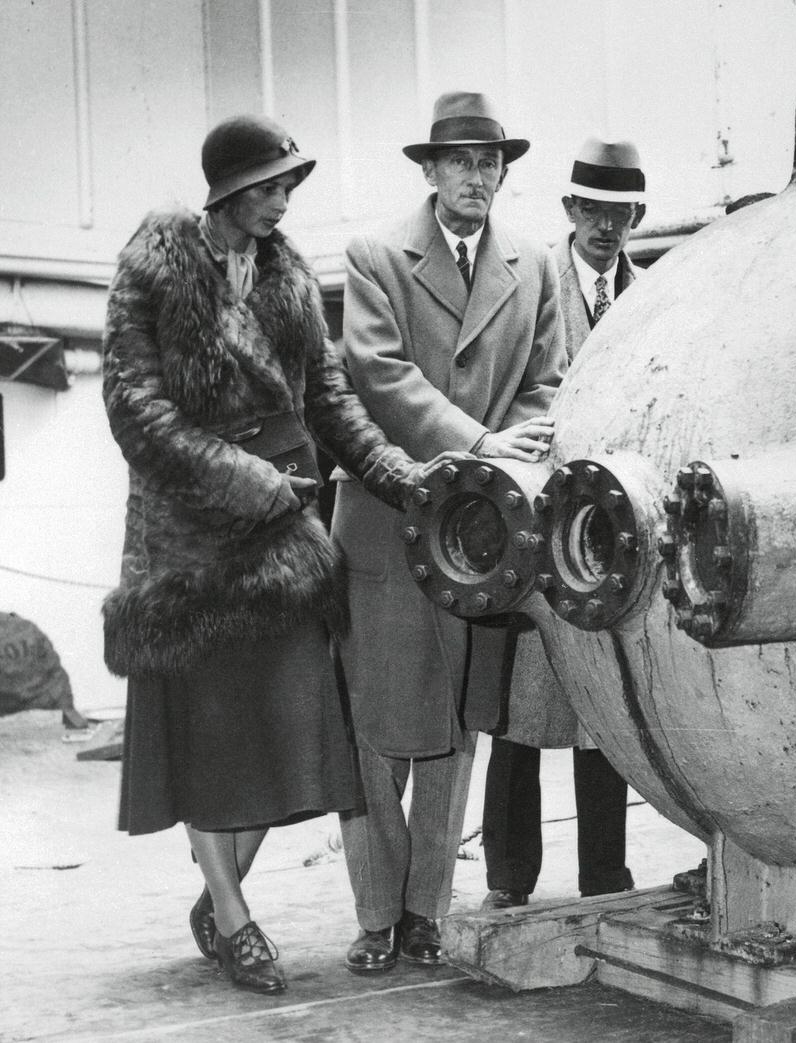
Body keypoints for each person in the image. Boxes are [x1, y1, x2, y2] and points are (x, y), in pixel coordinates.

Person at [101, 115, 449, 996]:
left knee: (295, 735)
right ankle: (237, 920)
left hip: (284, 542)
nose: (283, 200)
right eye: (268, 187)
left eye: (289, 185)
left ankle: (220, 897)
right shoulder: (154, 269)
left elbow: (331, 398)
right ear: (225, 191)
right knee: (213, 748)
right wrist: (246, 477)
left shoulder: (289, 274)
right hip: (192, 549)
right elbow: (134, 409)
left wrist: (401, 475)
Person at [332, 91, 567, 975]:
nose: (482, 175)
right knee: (377, 729)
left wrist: (509, 454)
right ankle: (373, 910)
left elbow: (548, 382)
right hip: (389, 520)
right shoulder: (374, 256)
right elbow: (378, 374)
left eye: (493, 160)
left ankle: (425, 909)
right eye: (463, 161)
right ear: (429, 171)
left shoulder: (534, 263)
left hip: (480, 530)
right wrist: (476, 443)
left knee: (455, 726)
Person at [478, 137, 647, 912]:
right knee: (521, 713)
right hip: (535, 522)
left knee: (605, 712)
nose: (606, 227)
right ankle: (508, 878)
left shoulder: (648, 297)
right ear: (569, 211)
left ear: (635, 216)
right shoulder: (530, 281)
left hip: (608, 532)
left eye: (621, 212)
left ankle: (604, 875)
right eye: (593, 210)